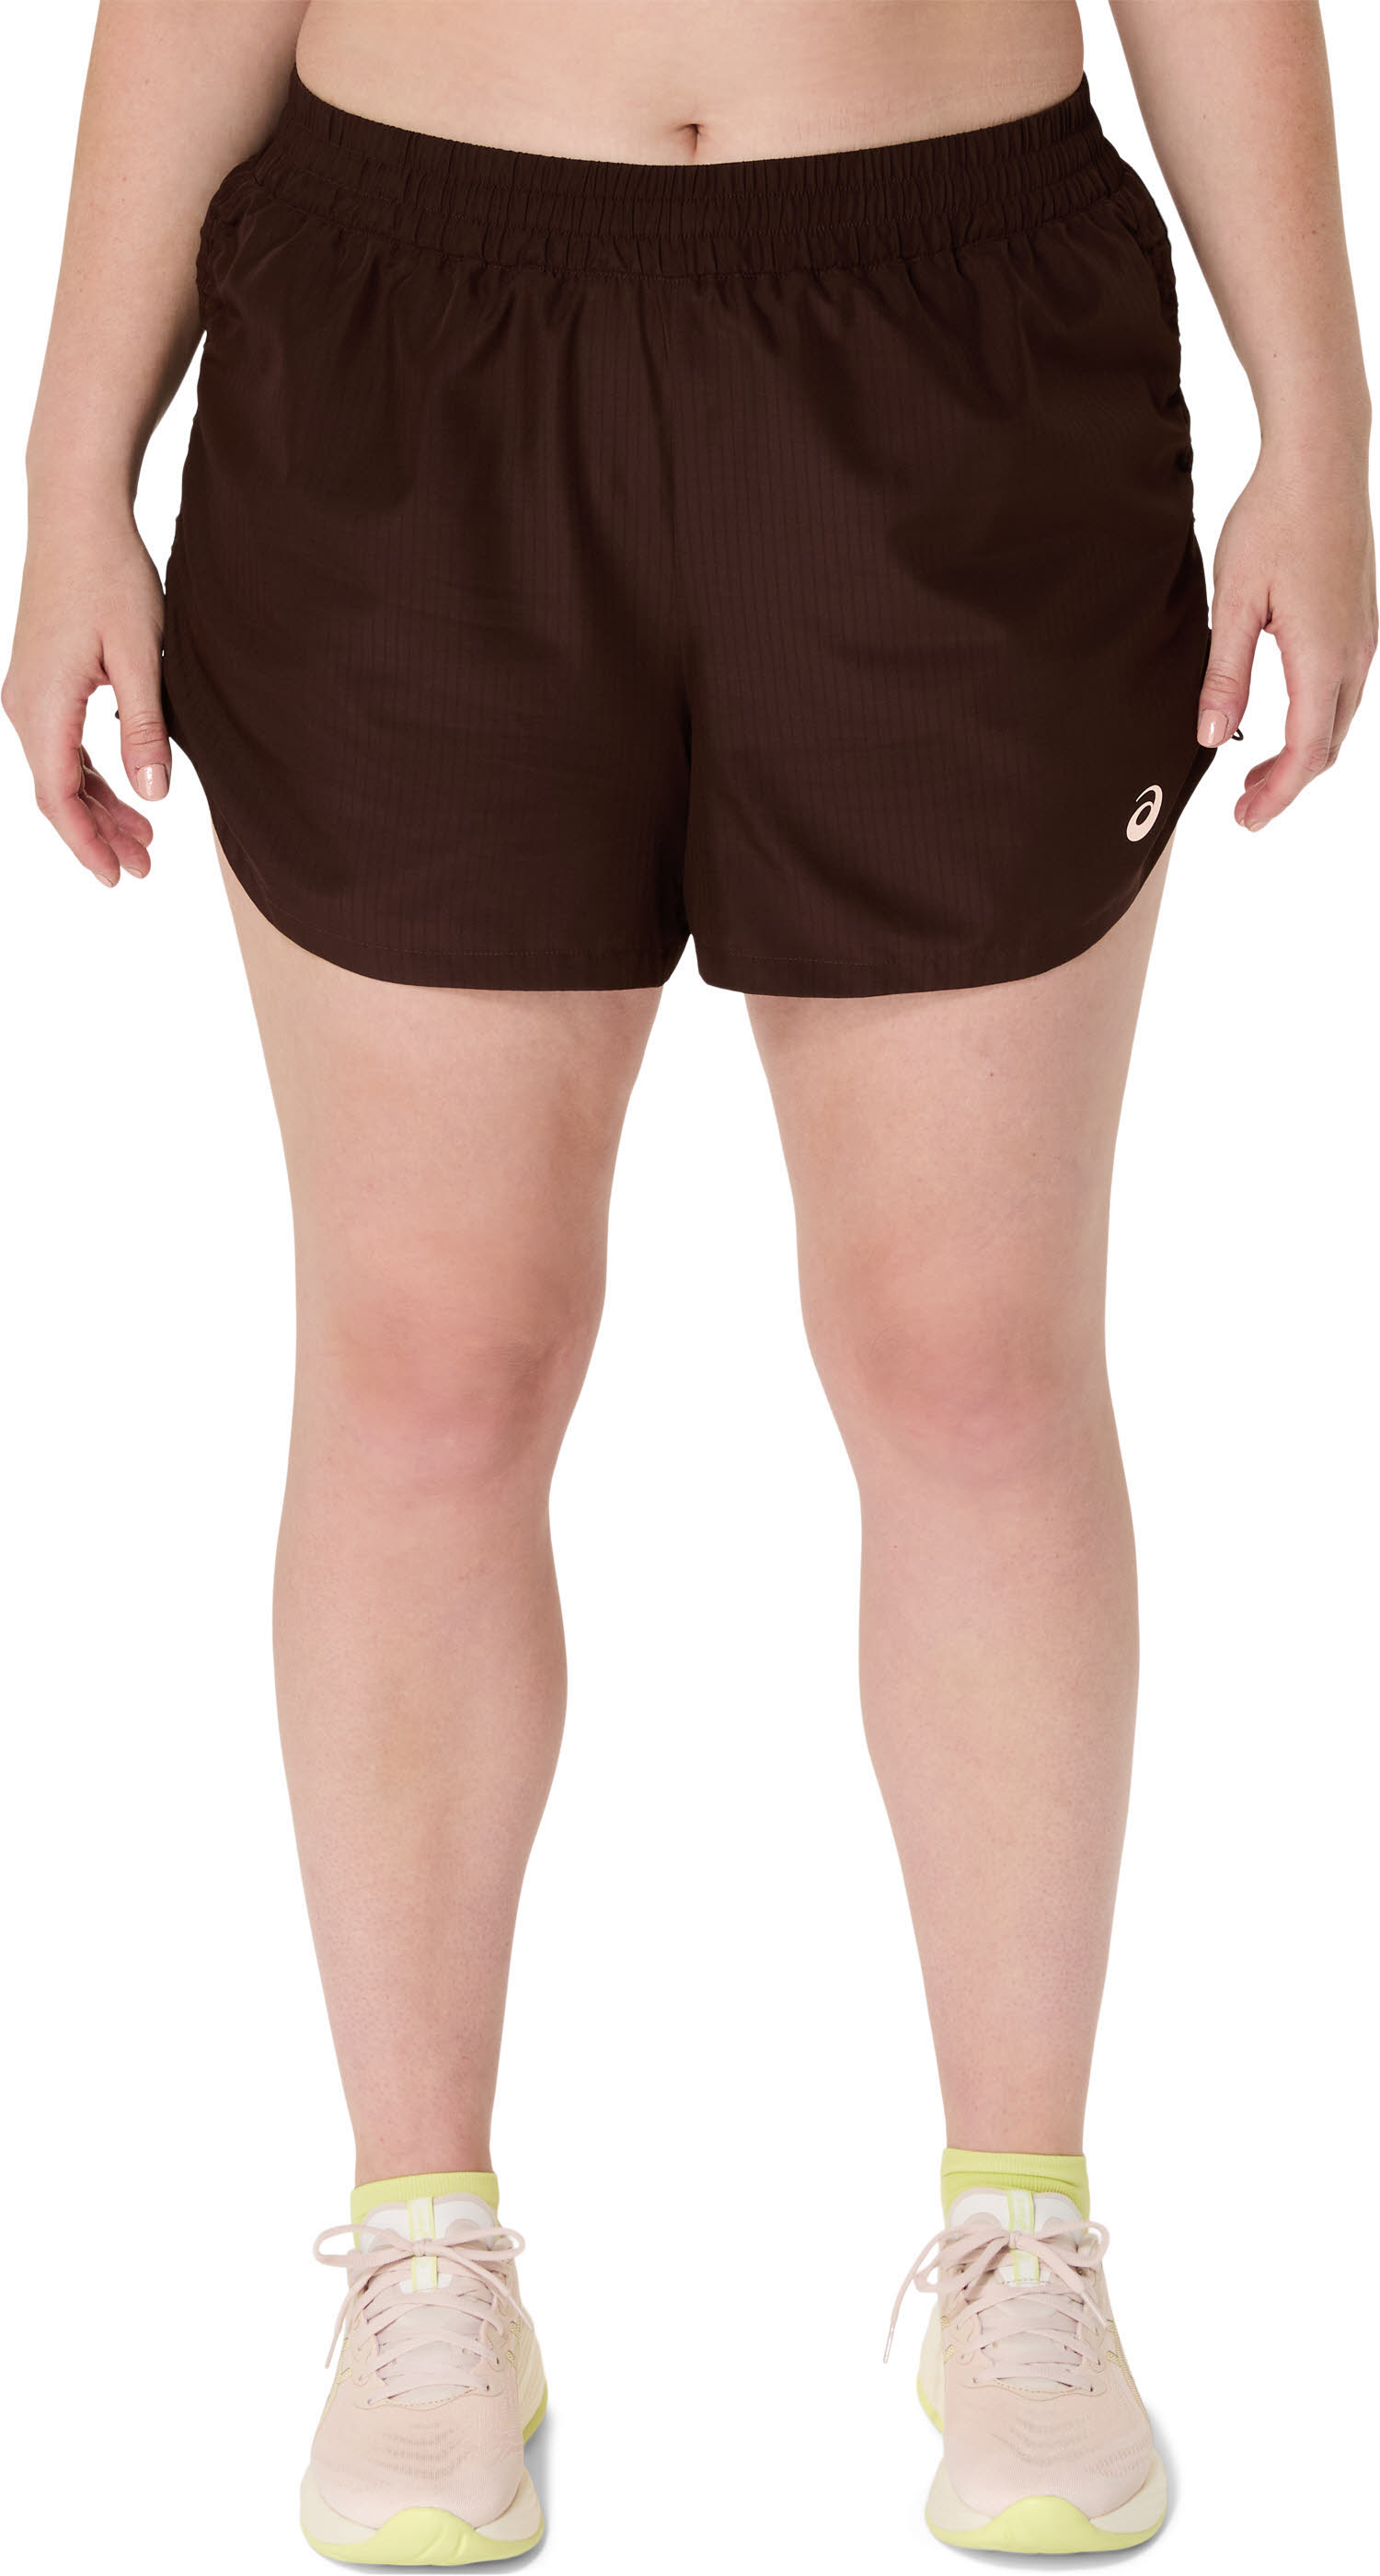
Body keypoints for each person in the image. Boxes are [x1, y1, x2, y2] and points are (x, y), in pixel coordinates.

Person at [5, 0, 1374, 2560]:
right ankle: (421, 2248)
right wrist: (77, 460)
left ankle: (1024, 2235)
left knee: (971, 1363)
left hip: (945, 327)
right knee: (430, 1368)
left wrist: (1322, 412)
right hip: (415, 338)